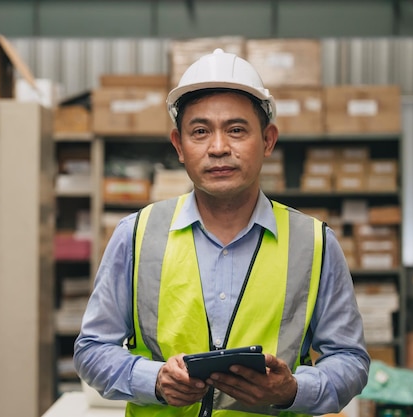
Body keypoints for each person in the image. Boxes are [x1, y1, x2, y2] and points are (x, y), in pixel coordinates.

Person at [74, 48, 370, 416]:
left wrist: (292, 389)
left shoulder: (316, 243)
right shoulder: (135, 234)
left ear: (268, 141)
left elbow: (350, 359)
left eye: (236, 130)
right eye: (200, 132)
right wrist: (153, 380)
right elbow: (91, 349)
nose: (218, 148)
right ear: (179, 146)